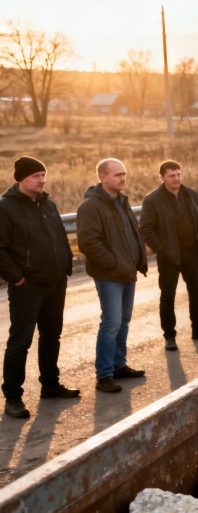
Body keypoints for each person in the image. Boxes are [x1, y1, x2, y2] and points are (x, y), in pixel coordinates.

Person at [0, 157, 78, 419]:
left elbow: (60, 237)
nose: (42, 180)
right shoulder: (6, 208)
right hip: (27, 287)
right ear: (20, 179)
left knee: (51, 336)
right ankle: (12, 397)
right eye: (36, 176)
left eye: (43, 175)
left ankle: (50, 385)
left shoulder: (49, 204)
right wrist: (18, 278)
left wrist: (66, 264)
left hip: (55, 283)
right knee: (20, 341)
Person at [77, 159, 148, 394]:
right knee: (111, 322)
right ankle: (104, 374)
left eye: (124, 174)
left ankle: (119, 365)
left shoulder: (121, 201)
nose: (123, 178)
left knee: (123, 321)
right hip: (110, 275)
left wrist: (136, 261)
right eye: (117, 175)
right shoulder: (91, 206)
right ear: (103, 177)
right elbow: (88, 243)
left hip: (127, 272)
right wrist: (115, 263)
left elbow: (131, 234)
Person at [140, 160, 198, 352]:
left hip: (192, 253)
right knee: (168, 297)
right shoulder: (153, 200)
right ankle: (169, 336)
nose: (176, 179)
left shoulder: (191, 194)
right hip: (169, 257)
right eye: (172, 175)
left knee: (197, 293)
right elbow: (146, 229)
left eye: (179, 174)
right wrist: (162, 248)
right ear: (162, 177)